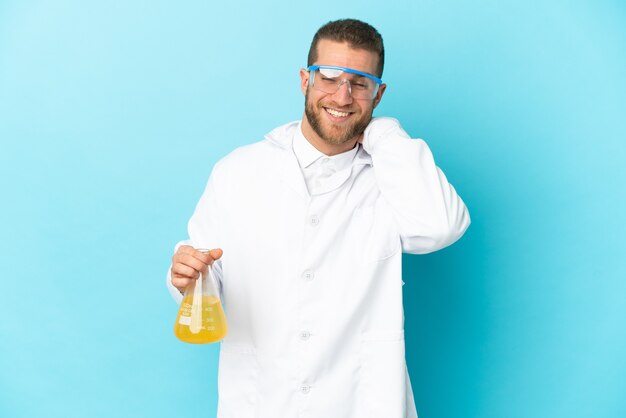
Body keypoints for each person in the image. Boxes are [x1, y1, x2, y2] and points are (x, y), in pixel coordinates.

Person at [167, 18, 470, 418]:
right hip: (261, 403)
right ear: (304, 80)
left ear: (378, 95)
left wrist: (384, 134)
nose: (343, 96)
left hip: (362, 404)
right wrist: (186, 276)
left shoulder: (393, 178)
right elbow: (206, 281)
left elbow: (439, 228)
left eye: (360, 83)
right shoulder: (238, 173)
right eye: (329, 77)